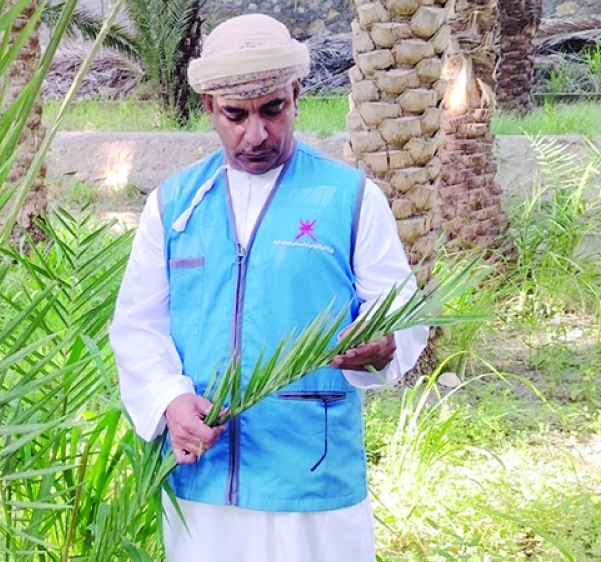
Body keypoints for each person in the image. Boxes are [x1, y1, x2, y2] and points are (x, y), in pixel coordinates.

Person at [108, 13, 430, 562]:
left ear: (297, 94)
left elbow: (398, 309)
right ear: (209, 108)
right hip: (205, 482)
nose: (255, 134)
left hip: (312, 475)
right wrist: (169, 399)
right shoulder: (173, 205)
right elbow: (138, 325)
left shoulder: (349, 197)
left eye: (272, 110)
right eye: (235, 115)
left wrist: (384, 345)